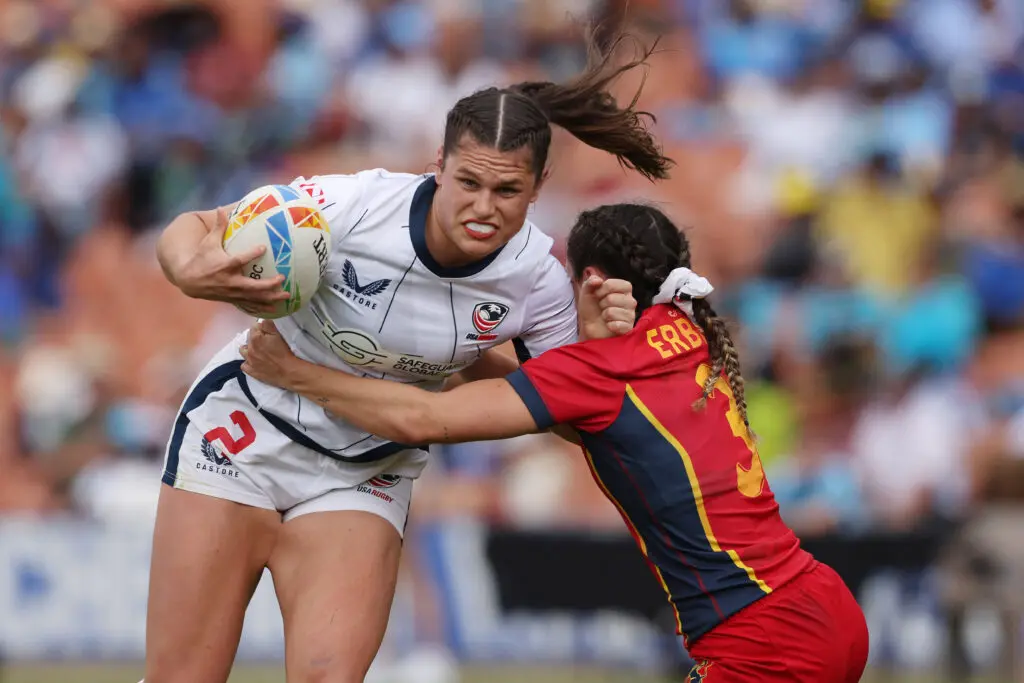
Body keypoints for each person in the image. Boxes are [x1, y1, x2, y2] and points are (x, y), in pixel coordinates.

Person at [148, 32, 672, 683]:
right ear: (439, 166)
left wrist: (593, 355)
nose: (483, 207)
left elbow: (565, 414)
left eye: (507, 191)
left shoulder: (536, 281)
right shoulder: (356, 205)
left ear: (539, 186)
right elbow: (197, 225)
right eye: (469, 182)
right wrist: (190, 271)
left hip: (365, 468)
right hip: (243, 432)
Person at [240, 203, 871, 683]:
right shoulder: (687, 328)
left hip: (762, 635)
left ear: (592, 279)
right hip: (823, 603)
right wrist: (480, 351)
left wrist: (295, 373)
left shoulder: (599, 374)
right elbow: (590, 403)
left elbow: (420, 421)